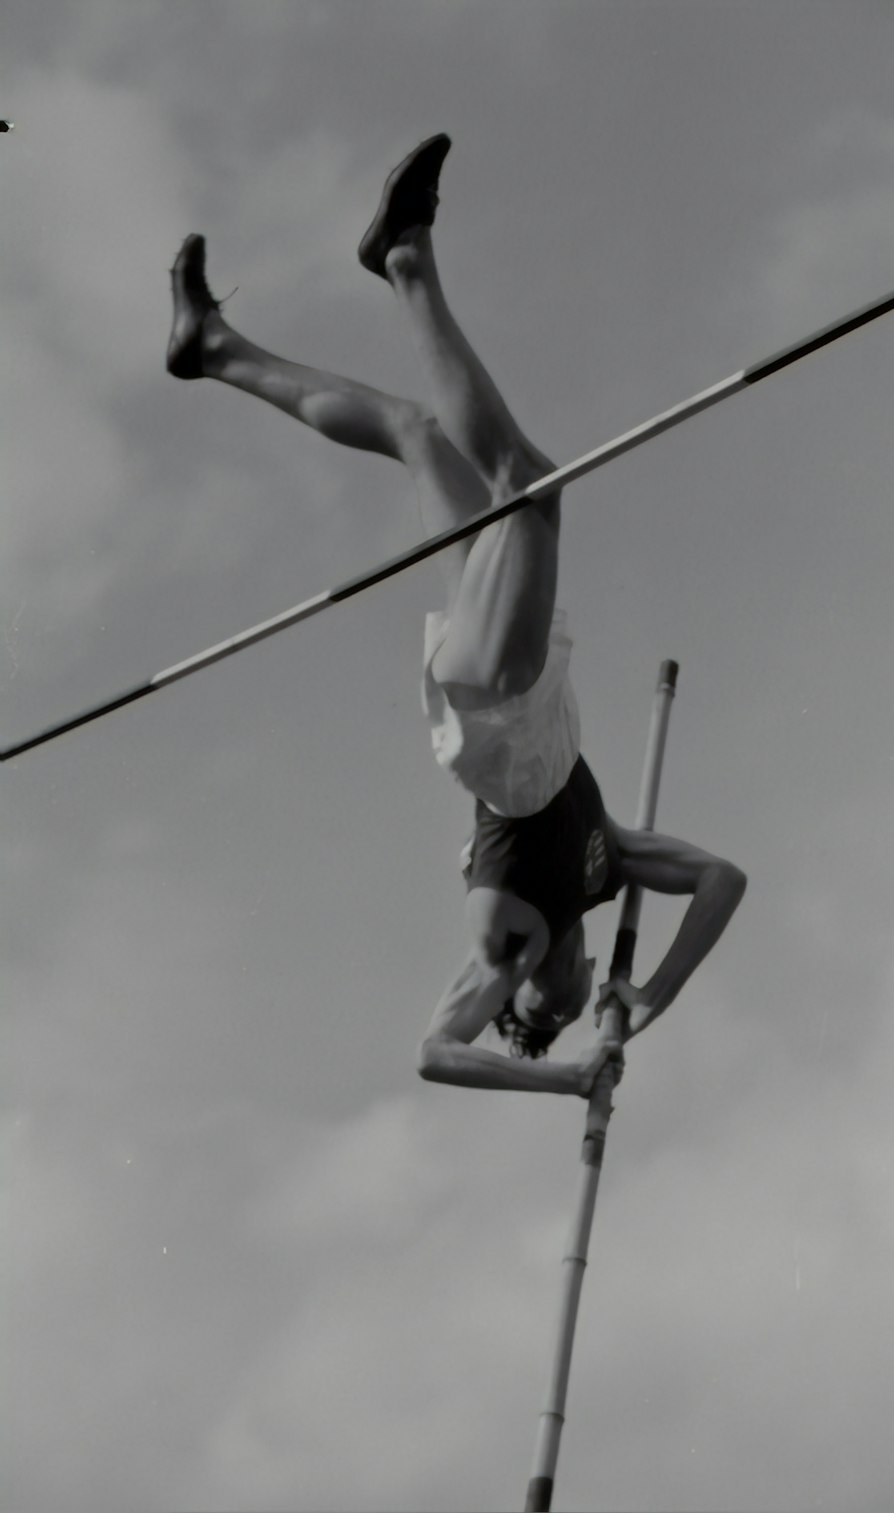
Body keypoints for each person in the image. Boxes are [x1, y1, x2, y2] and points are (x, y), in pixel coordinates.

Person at [166, 134, 746, 1099]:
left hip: (498, 709)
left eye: (544, 1013)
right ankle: (214, 351)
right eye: (573, 993)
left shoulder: (507, 947)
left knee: (532, 489)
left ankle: (405, 259)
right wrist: (651, 993)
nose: (566, 991)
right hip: (523, 693)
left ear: (522, 1006)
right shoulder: (607, 867)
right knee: (417, 432)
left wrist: (564, 1078)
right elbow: (725, 878)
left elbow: (433, 1052)